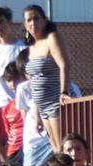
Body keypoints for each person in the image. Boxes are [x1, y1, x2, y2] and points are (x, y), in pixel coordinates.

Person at [22, 4, 70, 153]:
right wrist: (36, 112)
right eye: (29, 20)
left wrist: (64, 92)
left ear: (44, 20)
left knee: (63, 147)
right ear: (25, 24)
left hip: (55, 101)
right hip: (42, 106)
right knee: (55, 148)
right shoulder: (31, 47)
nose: (33, 23)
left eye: (37, 18)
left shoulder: (52, 38)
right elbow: (33, 81)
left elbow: (64, 65)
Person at [0, 61, 27, 165]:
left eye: (16, 78)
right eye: (9, 80)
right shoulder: (7, 108)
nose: (13, 83)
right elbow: (8, 133)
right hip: (12, 152)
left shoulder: (33, 103)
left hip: (28, 148)